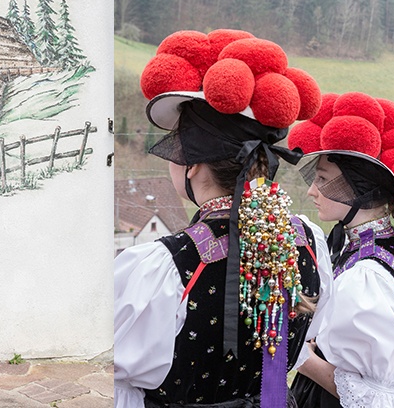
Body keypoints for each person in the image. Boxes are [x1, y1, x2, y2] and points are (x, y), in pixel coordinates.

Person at [114, 29, 333, 408]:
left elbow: (120, 382)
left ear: (193, 164)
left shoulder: (166, 265)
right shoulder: (308, 243)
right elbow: (304, 338)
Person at [286, 92, 394, 408]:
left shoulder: (366, 274)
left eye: (323, 180)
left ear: (355, 189)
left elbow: (372, 397)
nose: (312, 190)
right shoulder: (379, 244)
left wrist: (296, 353)